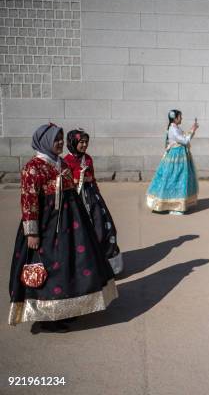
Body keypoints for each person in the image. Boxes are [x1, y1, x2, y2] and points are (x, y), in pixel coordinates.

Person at [8, 123, 118, 333]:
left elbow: (74, 193)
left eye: (60, 138)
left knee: (70, 264)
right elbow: (28, 200)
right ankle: (48, 319)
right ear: (45, 141)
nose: (59, 143)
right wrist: (32, 232)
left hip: (71, 225)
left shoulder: (61, 164)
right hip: (46, 226)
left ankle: (67, 309)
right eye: (55, 139)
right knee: (51, 267)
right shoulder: (33, 167)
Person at [64, 128, 123, 275]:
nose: (84, 145)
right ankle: (88, 269)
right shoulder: (66, 161)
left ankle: (109, 266)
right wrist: (77, 179)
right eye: (81, 142)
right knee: (82, 233)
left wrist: (96, 194)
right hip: (76, 200)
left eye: (86, 142)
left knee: (105, 228)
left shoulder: (88, 158)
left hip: (92, 197)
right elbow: (66, 183)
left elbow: (93, 178)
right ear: (73, 142)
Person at [146, 109, 199, 215]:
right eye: (180, 116)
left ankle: (177, 204)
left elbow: (184, 138)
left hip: (180, 157)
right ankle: (171, 205)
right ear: (175, 118)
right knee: (173, 178)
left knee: (179, 179)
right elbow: (184, 140)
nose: (182, 118)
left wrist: (192, 130)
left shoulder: (175, 128)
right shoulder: (173, 129)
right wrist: (193, 130)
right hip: (176, 158)